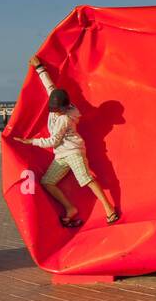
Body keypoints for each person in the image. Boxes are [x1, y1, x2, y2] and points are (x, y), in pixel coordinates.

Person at [15, 55, 120, 227]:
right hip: (61, 155)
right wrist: (39, 66)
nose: (55, 112)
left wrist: (30, 142)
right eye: (54, 109)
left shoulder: (65, 118)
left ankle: (110, 210)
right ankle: (70, 209)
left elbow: (53, 141)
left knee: (86, 179)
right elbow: (50, 86)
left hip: (72, 152)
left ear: (63, 108)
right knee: (47, 182)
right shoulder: (58, 100)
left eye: (57, 110)